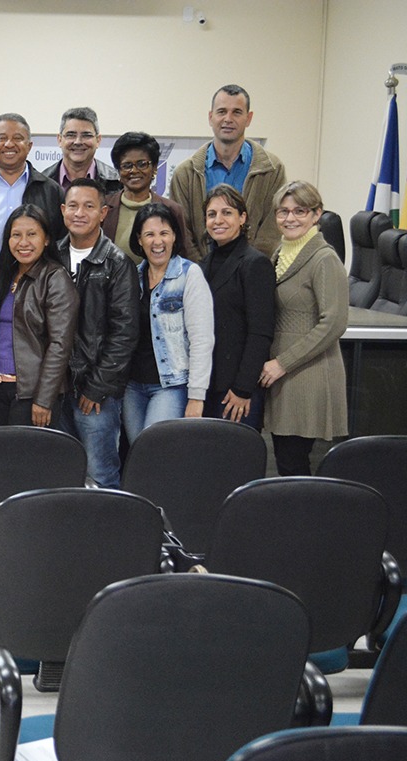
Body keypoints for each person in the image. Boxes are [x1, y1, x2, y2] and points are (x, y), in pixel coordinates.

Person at [259, 181, 348, 476]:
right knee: (287, 462)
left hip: (306, 375)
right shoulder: (281, 252)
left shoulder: (324, 258)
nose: (290, 218)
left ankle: (306, 509)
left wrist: (283, 363)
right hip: (284, 376)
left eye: (300, 211)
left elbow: (334, 323)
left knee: (293, 463)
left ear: (316, 214)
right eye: (283, 211)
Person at [56, 178, 139, 489]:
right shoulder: (52, 255)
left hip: (96, 392)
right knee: (63, 472)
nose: (80, 213)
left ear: (103, 213)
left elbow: (124, 334)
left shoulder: (117, 264)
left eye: (89, 206)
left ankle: (107, 523)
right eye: (73, 206)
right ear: (63, 210)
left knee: (100, 474)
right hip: (57, 389)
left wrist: (96, 388)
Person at [121, 204, 214, 442]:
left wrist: (196, 396)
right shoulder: (132, 276)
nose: (157, 241)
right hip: (132, 386)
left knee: (154, 450)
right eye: (149, 234)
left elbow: (202, 340)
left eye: (164, 233)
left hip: (170, 386)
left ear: (174, 236)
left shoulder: (190, 274)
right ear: (139, 240)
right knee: (138, 452)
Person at [0, 205, 78, 427]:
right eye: (16, 235)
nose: (23, 242)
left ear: (46, 240)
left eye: (32, 234)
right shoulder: (4, 276)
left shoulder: (56, 278)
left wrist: (44, 399)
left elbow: (60, 344)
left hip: (31, 394)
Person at [170, 84, 287, 262]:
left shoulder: (272, 170)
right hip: (199, 273)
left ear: (248, 118)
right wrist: (202, 270)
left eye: (237, 112)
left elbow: (271, 232)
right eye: (222, 111)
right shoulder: (185, 174)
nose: (228, 119)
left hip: (252, 272)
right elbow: (183, 233)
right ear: (210, 117)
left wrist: (246, 268)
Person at [199, 185, 275, 429]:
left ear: (242, 218)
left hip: (236, 390)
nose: (218, 220)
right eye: (212, 214)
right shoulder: (203, 264)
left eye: (227, 213)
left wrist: (243, 388)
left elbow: (260, 333)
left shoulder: (255, 264)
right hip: (207, 383)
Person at [0, 113, 64, 252]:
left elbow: (60, 239)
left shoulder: (51, 191)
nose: (9, 144)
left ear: (29, 146)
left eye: (17, 138)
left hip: (36, 267)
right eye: (2, 138)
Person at [103, 131, 191, 264]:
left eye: (142, 164)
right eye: (127, 166)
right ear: (119, 171)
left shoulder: (172, 210)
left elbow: (181, 257)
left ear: (154, 168)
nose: (134, 170)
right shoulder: (103, 207)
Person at [42, 107, 123, 194]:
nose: (78, 142)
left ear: (98, 140)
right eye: (71, 135)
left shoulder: (118, 182)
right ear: (60, 140)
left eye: (86, 135)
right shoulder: (41, 183)